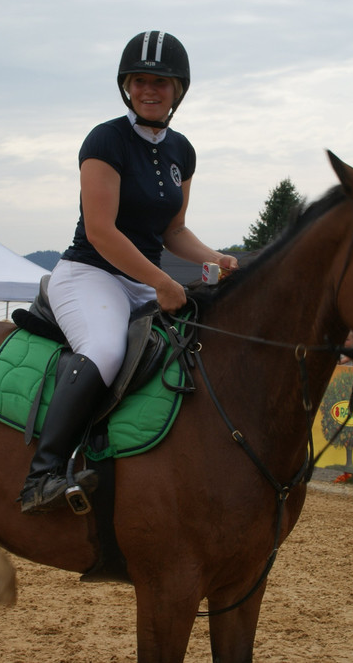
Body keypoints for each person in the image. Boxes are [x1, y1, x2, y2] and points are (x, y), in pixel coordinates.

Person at [17, 30, 239, 514]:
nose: (149, 90)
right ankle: (43, 474)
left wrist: (216, 258)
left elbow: (173, 230)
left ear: (178, 90)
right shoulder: (106, 139)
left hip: (142, 281)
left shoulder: (182, 151)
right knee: (105, 348)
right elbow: (101, 231)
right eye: (140, 80)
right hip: (89, 273)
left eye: (160, 82)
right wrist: (162, 282)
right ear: (126, 86)